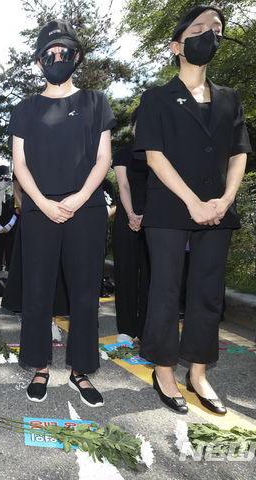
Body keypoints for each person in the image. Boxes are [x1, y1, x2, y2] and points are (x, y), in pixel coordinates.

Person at [135, 5, 251, 415]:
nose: (209, 34)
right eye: (199, 27)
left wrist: (224, 200)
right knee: (166, 291)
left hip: (218, 210)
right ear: (176, 46)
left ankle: (198, 373)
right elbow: (154, 157)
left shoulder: (229, 99)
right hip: (170, 209)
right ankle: (164, 371)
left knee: (208, 293)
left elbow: (239, 153)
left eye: (216, 29)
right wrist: (193, 202)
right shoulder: (156, 98)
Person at [10, 19, 115, 407]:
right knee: (37, 290)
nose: (57, 59)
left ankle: (80, 370)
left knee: (86, 293)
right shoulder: (25, 109)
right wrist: (42, 202)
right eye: (49, 54)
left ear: (77, 57)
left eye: (64, 53)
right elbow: (19, 164)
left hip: (85, 208)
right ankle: (39, 365)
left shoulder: (95, 101)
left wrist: (79, 197)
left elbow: (103, 157)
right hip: (40, 209)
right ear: (39, 62)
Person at [112, 108, 150, 342]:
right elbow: (123, 185)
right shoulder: (123, 154)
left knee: (151, 275)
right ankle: (126, 329)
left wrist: (147, 215)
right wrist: (132, 214)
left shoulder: (161, 155)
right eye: (138, 123)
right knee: (125, 273)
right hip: (126, 220)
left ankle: (147, 329)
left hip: (155, 221)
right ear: (133, 126)